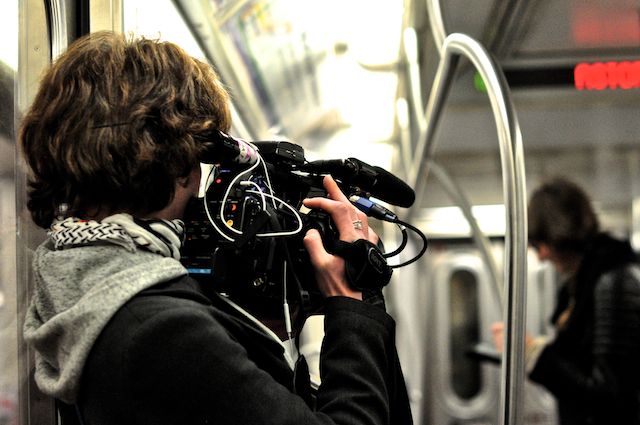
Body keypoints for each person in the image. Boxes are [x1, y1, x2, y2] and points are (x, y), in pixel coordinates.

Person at [20, 31, 412, 424]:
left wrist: (254, 327)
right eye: (197, 159)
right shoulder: (161, 328)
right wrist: (353, 307)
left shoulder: (82, 283)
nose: (197, 183)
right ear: (171, 159)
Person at [492, 176, 640, 425]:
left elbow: (608, 394)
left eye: (540, 245)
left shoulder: (612, 281)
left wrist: (534, 354)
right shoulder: (582, 283)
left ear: (558, 234)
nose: (541, 257)